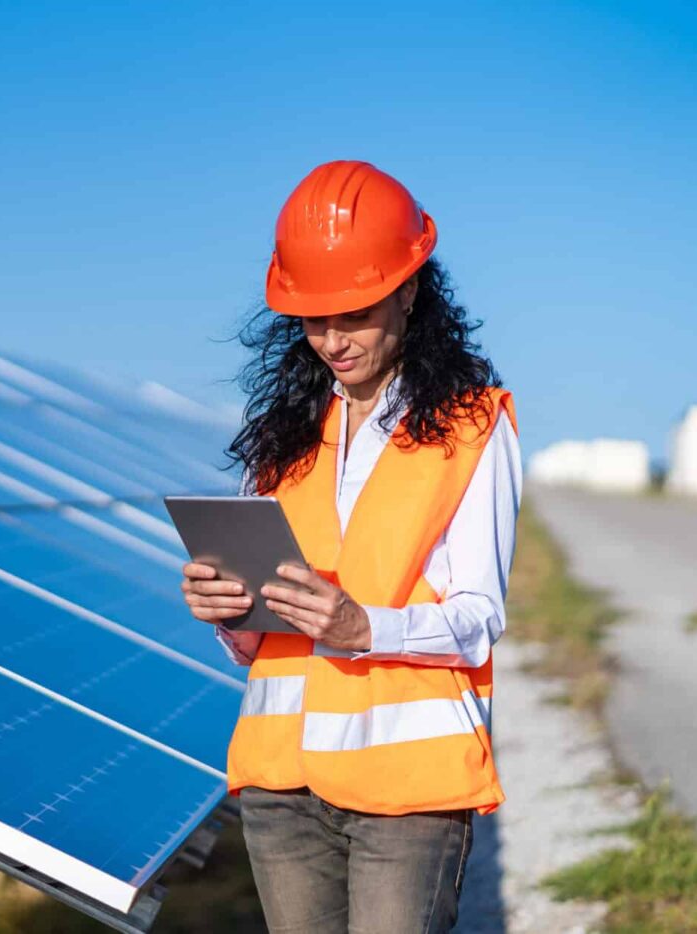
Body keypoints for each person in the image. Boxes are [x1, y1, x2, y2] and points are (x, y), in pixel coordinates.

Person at [179, 160, 521, 933]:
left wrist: (365, 628)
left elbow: (478, 619)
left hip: (408, 793)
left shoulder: (473, 427)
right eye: (313, 318)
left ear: (408, 290)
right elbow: (257, 643)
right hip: (281, 789)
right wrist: (228, 612)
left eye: (354, 313)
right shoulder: (286, 441)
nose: (331, 339)